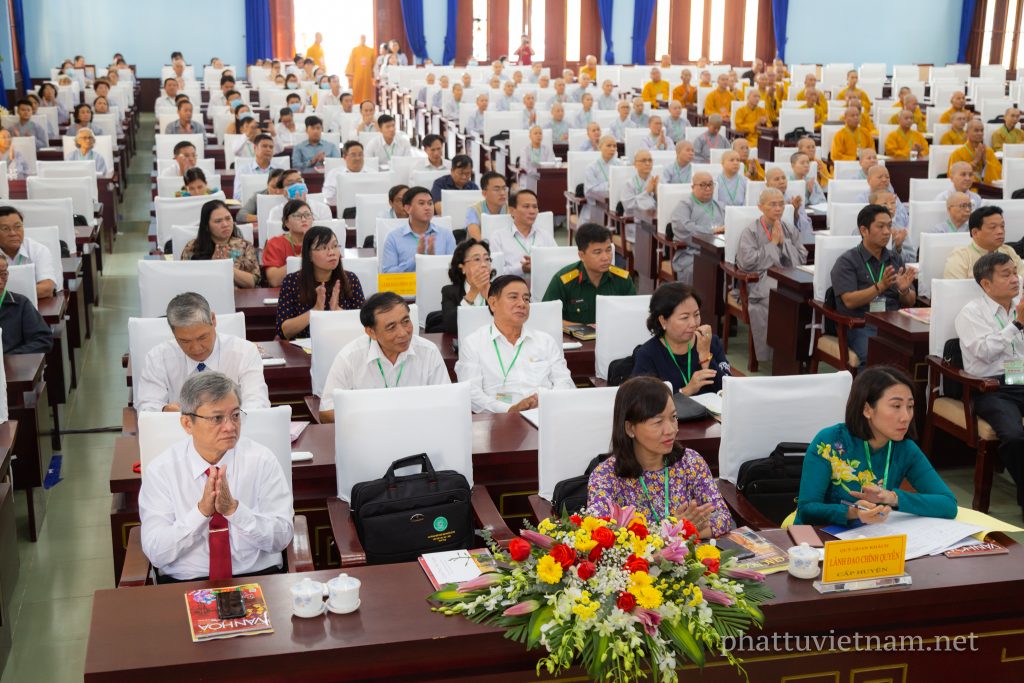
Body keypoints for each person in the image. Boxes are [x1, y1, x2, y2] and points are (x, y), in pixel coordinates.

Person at [138, 372, 293, 582]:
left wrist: (234, 511)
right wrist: (200, 513)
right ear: (187, 424)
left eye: (235, 415)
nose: (230, 427)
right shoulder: (162, 471)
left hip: (258, 578)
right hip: (187, 583)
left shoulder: (262, 460)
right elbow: (156, 552)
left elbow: (282, 537)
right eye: (217, 418)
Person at [795, 366, 957, 526]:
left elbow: (948, 504)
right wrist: (852, 512)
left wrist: (892, 498)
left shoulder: (905, 449)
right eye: (896, 406)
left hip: (871, 535)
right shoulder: (829, 442)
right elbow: (807, 509)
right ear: (867, 410)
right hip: (818, 535)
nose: (906, 417)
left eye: (910, 406)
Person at [586, 376, 733, 537]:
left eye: (674, 417)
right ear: (630, 428)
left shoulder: (690, 462)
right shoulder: (605, 476)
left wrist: (681, 533)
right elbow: (600, 536)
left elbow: (723, 518)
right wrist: (672, 531)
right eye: (658, 422)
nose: (671, 430)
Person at [956, 251, 1024, 515]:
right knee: (1014, 436)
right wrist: (1017, 324)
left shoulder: (1019, 304)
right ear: (986, 283)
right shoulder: (971, 314)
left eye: (1015, 272)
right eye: (1006, 274)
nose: (1015, 279)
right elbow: (983, 352)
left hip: (1020, 379)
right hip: (991, 387)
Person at [318, 292, 449, 421]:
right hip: (368, 431)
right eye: (391, 327)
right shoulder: (350, 357)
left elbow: (446, 403)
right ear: (371, 332)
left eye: (406, 321)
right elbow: (326, 412)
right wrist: (372, 419)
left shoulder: (428, 352)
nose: (403, 333)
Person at [456, 274, 574, 413]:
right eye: (513, 297)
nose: (522, 304)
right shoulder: (473, 344)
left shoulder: (545, 341)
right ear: (493, 303)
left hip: (546, 414)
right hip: (500, 419)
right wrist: (510, 409)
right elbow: (472, 394)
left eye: (526, 299)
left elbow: (564, 381)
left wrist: (547, 403)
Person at [136, 292, 270, 413]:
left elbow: (257, 403)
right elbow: (147, 406)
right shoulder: (158, 358)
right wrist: (164, 411)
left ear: (213, 320)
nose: (196, 348)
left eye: (202, 337)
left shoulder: (244, 352)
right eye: (185, 341)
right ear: (173, 333)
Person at [830, 205, 917, 364]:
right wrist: (880, 287)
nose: (887, 232)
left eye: (889, 226)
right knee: (876, 355)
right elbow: (849, 301)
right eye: (881, 226)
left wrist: (904, 291)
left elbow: (910, 301)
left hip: (893, 323)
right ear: (864, 230)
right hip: (862, 324)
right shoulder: (847, 262)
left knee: (917, 352)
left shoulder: (894, 258)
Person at [736, 189, 808, 363]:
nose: (778, 208)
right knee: (779, 299)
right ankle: (777, 355)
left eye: (781, 204)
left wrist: (784, 243)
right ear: (760, 207)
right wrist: (773, 243)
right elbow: (746, 262)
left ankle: (798, 354)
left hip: (789, 276)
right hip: (761, 279)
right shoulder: (750, 232)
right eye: (773, 204)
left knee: (803, 300)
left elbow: (802, 258)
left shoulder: (789, 229)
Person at [631, 283, 730, 395]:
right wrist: (686, 391)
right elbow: (643, 400)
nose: (693, 323)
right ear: (663, 321)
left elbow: (729, 389)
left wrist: (705, 357)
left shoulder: (710, 342)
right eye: (685, 317)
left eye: (696, 315)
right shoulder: (648, 354)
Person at [276, 226, 365, 339]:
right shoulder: (291, 282)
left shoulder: (350, 280)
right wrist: (315, 310)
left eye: (334, 246)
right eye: (323, 248)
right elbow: (284, 331)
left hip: (342, 343)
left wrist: (339, 312)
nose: (331, 253)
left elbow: (365, 325)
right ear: (309, 255)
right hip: (302, 347)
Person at [542, 223, 636, 325]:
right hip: (572, 335)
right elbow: (546, 318)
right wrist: (585, 329)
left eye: (608, 250)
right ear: (581, 255)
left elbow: (633, 316)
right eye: (597, 252)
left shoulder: (623, 280)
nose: (606, 257)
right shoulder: (563, 281)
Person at [180, 200, 260, 288]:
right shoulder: (192, 247)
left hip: (239, 296)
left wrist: (226, 266)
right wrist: (213, 266)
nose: (225, 224)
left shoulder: (244, 246)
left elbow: (253, 282)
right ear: (206, 226)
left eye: (228, 218)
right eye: (218, 221)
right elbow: (185, 282)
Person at [381, 186, 457, 273]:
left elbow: (455, 269)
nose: (427, 208)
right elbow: (387, 274)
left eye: (430, 203)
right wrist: (416, 259)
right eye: (421, 203)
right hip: (408, 282)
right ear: (408, 208)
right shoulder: (393, 237)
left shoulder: (446, 235)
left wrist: (434, 261)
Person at [669, 172, 725, 282]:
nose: (708, 188)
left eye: (710, 184)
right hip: (692, 254)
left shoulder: (720, 206)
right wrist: (711, 231)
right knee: (699, 270)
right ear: (693, 187)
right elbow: (684, 228)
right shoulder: (685, 205)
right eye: (703, 185)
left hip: (718, 254)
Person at [489, 189, 556, 279]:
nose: (532, 211)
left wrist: (538, 265)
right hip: (510, 285)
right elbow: (495, 272)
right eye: (526, 206)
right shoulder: (498, 237)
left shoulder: (545, 236)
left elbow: (556, 264)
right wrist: (521, 269)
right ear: (512, 210)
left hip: (543, 284)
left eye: (535, 207)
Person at [943, 206, 1020, 279]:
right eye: (993, 227)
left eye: (1002, 226)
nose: (1000, 231)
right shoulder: (961, 257)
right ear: (975, 233)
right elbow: (955, 287)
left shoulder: (1008, 251)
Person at [439, 238, 495, 334]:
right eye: (477, 259)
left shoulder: (500, 289)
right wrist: (473, 292)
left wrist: (489, 296)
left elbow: (509, 321)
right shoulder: (449, 292)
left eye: (487, 259)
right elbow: (450, 326)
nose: (484, 264)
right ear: (462, 268)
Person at [0, 206, 58, 299]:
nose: (13, 233)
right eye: (5, 229)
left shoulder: (38, 250)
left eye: (17, 227)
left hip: (32, 305)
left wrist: (8, 297)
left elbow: (47, 288)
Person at [0, 255, 53, 354]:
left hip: (13, 361)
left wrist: (10, 357)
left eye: (3, 274)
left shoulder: (20, 304)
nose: (0, 281)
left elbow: (43, 340)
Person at [261, 199, 316, 287]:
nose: (304, 219)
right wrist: (301, 257)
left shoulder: (320, 241)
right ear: (286, 222)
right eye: (297, 216)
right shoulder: (275, 244)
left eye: (307, 215)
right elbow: (274, 281)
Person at [949, 119, 1002, 186]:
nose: (980, 133)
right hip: (968, 188)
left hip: (987, 188)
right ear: (967, 133)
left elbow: (999, 173)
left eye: (982, 130)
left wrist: (985, 162)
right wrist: (976, 161)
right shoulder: (957, 153)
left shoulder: (988, 151)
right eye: (976, 131)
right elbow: (954, 176)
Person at [465, 172, 510, 241]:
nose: (502, 193)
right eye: (496, 189)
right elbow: (477, 239)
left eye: (504, 189)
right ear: (484, 193)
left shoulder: (512, 209)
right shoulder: (474, 210)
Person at [322, 140, 366, 208]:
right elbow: (327, 198)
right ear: (344, 157)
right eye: (353, 155)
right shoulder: (334, 174)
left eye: (360, 154)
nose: (358, 158)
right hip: (342, 211)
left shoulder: (373, 173)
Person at [232, 134, 276, 200]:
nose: (268, 149)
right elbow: (237, 195)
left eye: (271, 147)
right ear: (255, 148)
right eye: (264, 146)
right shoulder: (243, 170)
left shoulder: (280, 170)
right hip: (251, 204)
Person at [517, 125, 556, 193]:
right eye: (535, 133)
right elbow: (524, 165)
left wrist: (542, 174)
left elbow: (551, 163)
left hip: (545, 177)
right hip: (529, 177)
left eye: (540, 133)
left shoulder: (548, 149)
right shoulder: (524, 150)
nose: (538, 135)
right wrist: (535, 174)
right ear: (530, 136)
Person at [346, 35, 376, 103]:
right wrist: (350, 76)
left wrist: (374, 76)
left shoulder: (371, 50)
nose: (363, 39)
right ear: (359, 39)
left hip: (367, 76)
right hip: (357, 76)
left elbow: (374, 65)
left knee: (367, 92)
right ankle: (356, 105)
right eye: (361, 38)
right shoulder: (354, 50)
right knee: (357, 91)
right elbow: (351, 62)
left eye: (364, 38)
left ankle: (367, 106)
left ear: (366, 39)